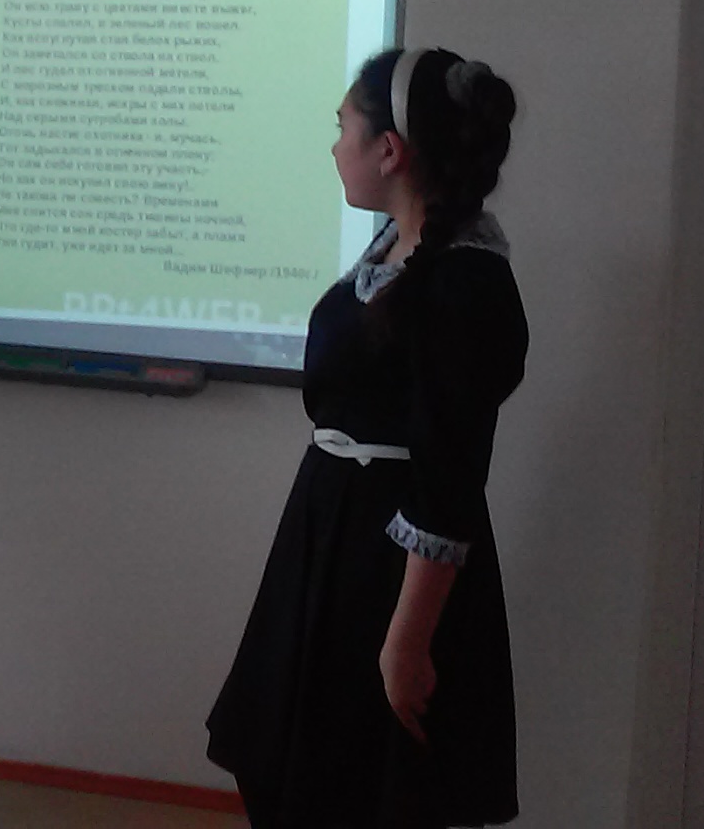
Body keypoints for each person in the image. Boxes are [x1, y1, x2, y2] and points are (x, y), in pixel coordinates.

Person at [206, 47, 527, 828]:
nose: (333, 146)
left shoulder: (466, 284)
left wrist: (407, 642)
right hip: (329, 535)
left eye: (342, 127)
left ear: (389, 151)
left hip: (387, 569)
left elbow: (450, 478)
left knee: (371, 788)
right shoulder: (396, 246)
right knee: (290, 768)